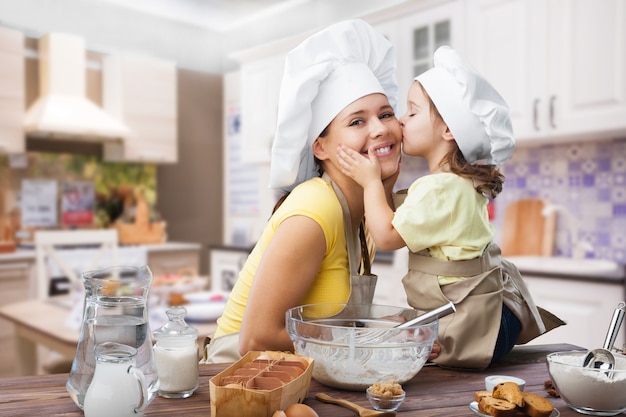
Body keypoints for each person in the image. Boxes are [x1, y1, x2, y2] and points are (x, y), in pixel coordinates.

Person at [202, 19, 442, 363]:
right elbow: (256, 339)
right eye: (357, 121)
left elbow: (326, 323)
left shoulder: (368, 211)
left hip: (302, 375)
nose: (379, 129)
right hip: (241, 379)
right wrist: (372, 339)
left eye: (386, 114)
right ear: (321, 147)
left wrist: (384, 329)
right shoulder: (316, 209)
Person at [336, 46, 563, 369]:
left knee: (403, 352)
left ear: (448, 130)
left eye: (412, 112)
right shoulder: (460, 182)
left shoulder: (439, 188)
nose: (401, 120)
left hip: (478, 327)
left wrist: (371, 182)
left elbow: (386, 237)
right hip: (497, 314)